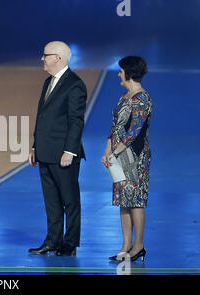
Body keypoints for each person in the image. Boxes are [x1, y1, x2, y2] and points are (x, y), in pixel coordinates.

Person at [28, 41, 87, 256]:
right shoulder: (48, 82)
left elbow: (76, 121)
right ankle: (52, 241)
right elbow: (42, 118)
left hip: (64, 155)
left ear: (58, 58)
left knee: (70, 200)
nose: (42, 59)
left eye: (46, 55)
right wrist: (35, 146)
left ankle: (69, 244)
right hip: (45, 152)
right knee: (51, 201)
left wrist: (69, 151)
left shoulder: (75, 85)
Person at [102, 56, 151, 262]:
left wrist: (115, 152)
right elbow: (115, 127)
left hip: (135, 157)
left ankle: (138, 246)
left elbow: (133, 132)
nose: (119, 74)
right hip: (118, 155)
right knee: (123, 200)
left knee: (136, 201)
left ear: (129, 73)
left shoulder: (142, 99)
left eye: (121, 71)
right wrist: (107, 151)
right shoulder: (124, 97)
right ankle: (126, 246)